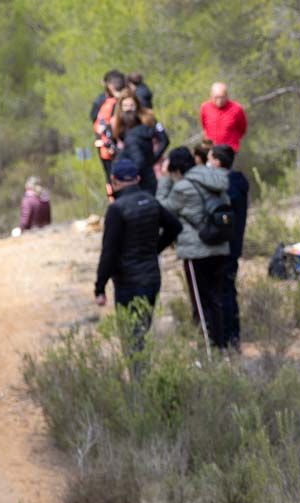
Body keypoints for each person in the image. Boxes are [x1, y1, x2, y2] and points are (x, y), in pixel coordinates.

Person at [94, 158, 182, 351]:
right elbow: (175, 226)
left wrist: (100, 287)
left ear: (114, 180)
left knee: (132, 339)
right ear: (138, 178)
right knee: (141, 333)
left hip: (128, 283)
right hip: (151, 279)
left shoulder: (116, 209)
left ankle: (138, 379)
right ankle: (143, 377)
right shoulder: (151, 201)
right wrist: (154, 249)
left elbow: (109, 252)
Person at [156, 146, 231, 348]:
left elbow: (162, 208)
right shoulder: (216, 179)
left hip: (196, 251)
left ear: (177, 169)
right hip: (220, 246)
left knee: (200, 303)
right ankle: (221, 347)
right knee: (216, 300)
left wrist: (163, 179)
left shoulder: (182, 187)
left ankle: (207, 351)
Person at [209, 144, 247, 350]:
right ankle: (232, 337)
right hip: (232, 247)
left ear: (217, 161)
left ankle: (228, 339)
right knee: (228, 291)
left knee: (224, 293)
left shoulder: (228, 186)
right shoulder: (237, 184)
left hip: (226, 249)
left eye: (209, 159)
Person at [112, 91, 169, 195]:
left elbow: (164, 139)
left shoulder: (148, 118)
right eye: (125, 106)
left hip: (152, 165)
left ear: (137, 105)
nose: (129, 108)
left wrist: (154, 159)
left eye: (132, 105)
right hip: (132, 170)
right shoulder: (117, 123)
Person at [91, 70, 126, 198]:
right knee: (110, 179)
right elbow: (96, 120)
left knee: (119, 177)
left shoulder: (122, 101)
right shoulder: (104, 101)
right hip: (106, 147)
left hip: (117, 149)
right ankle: (113, 201)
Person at [200, 82, 247, 154]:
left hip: (229, 151)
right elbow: (204, 126)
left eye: (222, 97)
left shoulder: (236, 108)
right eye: (216, 97)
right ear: (211, 96)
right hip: (210, 150)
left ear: (227, 96)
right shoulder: (205, 107)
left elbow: (242, 129)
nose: (219, 100)